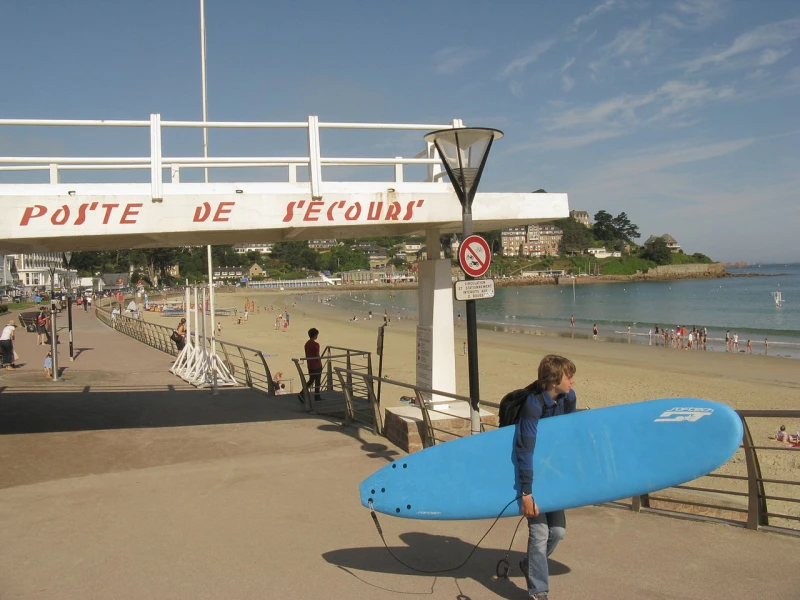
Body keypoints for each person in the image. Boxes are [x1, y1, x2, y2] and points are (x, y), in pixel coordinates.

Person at [516, 355, 577, 600]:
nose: (572, 381)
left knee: (558, 533)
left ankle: (530, 564)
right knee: (540, 533)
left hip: (554, 475)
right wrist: (526, 492)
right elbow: (525, 447)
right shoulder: (533, 405)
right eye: (568, 376)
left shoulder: (569, 398)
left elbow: (567, 435)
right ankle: (538, 591)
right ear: (553, 381)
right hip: (532, 476)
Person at [304, 328, 323, 402]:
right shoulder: (316, 344)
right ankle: (316, 396)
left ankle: (303, 392)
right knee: (317, 380)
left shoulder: (307, 343)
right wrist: (320, 362)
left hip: (310, 364)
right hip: (316, 365)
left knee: (311, 379)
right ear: (315, 335)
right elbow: (317, 355)